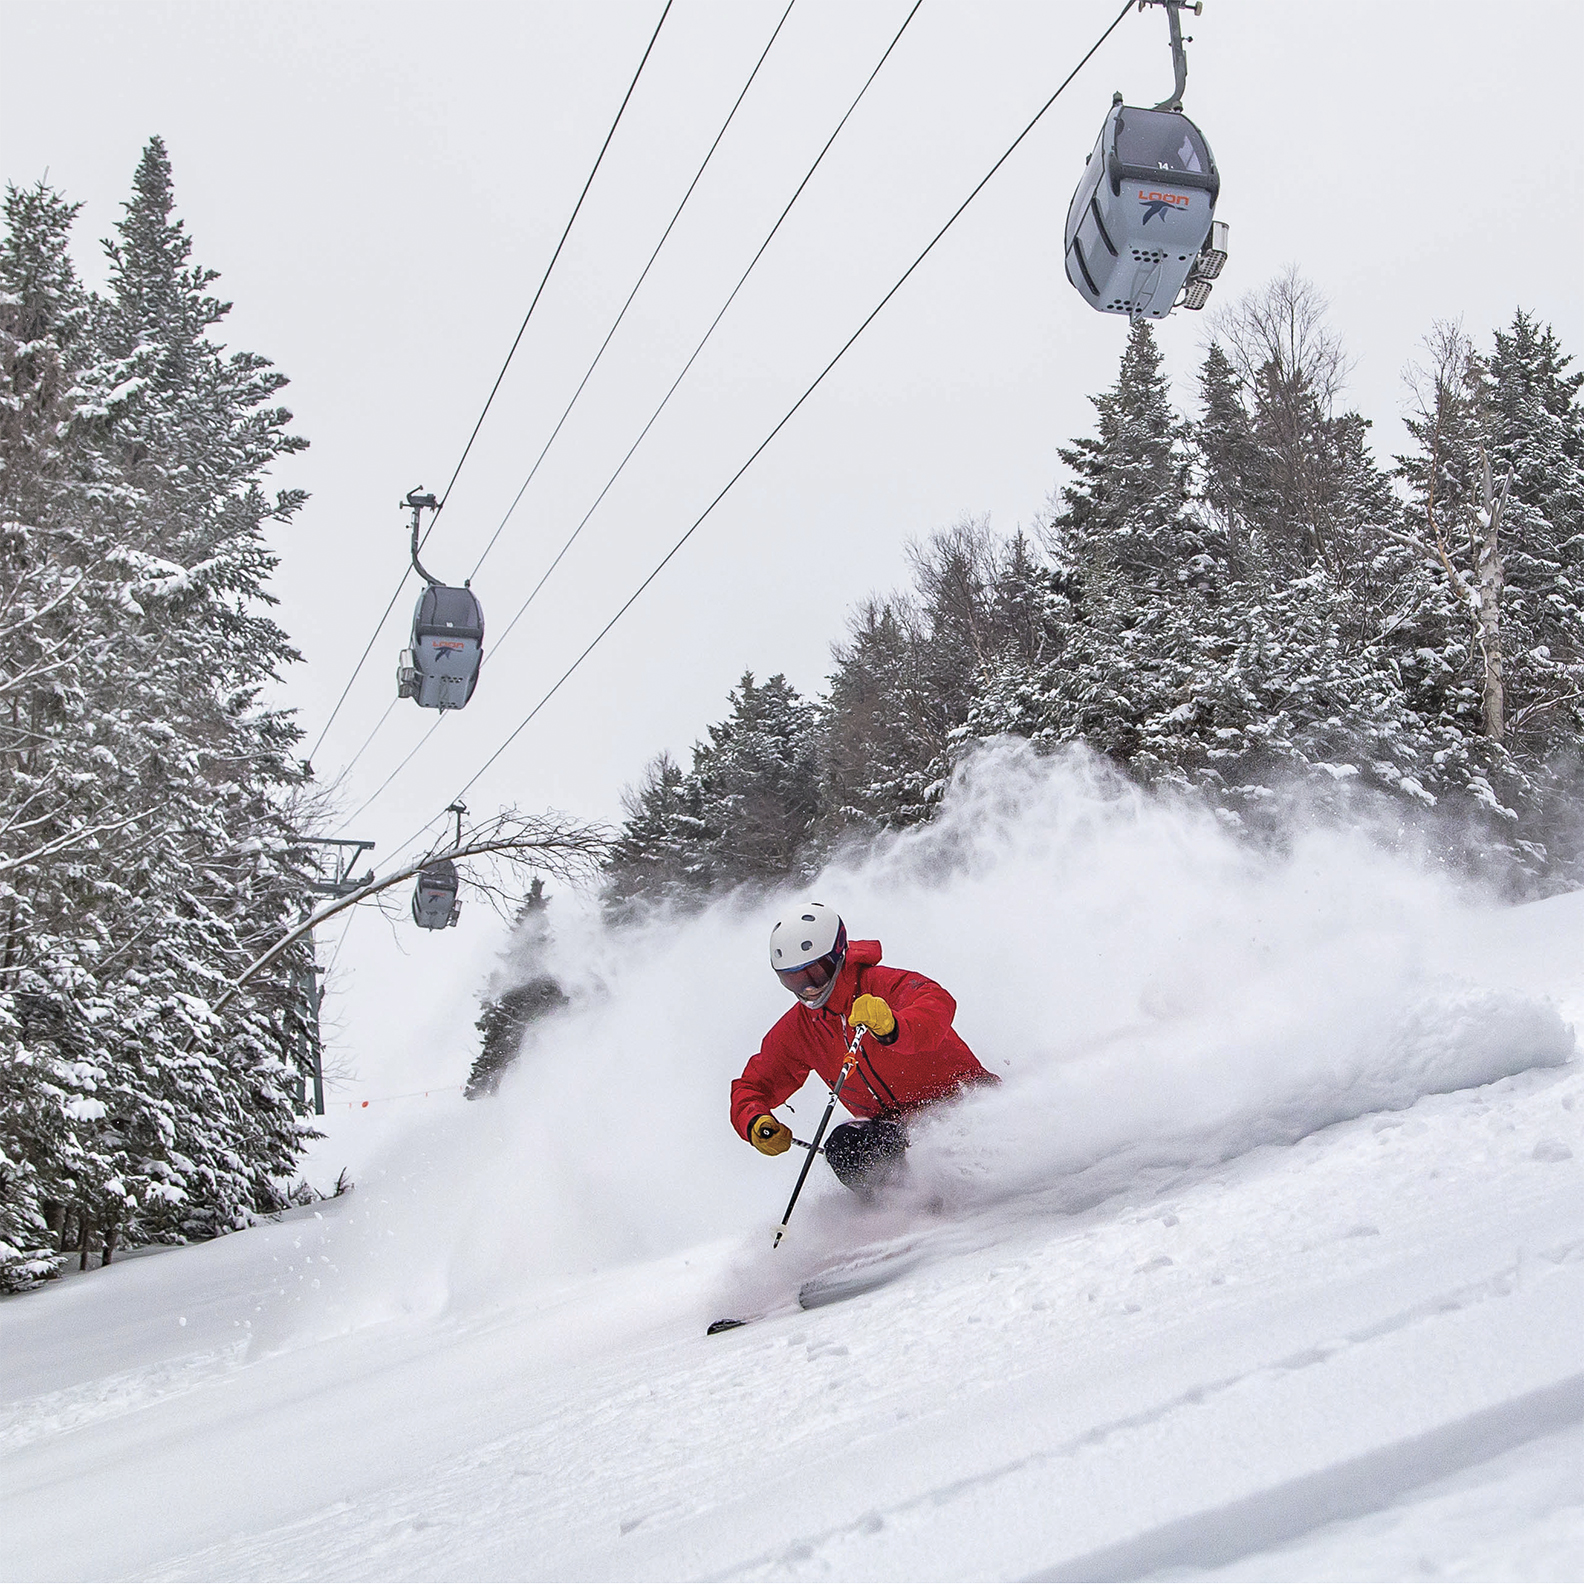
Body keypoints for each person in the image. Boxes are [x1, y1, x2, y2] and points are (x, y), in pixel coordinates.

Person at [730, 903, 995, 1195]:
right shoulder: (801, 1028)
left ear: (837, 956)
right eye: (793, 979)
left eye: (815, 974)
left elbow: (937, 1004)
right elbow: (753, 1086)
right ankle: (901, 1209)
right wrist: (755, 1121)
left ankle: (979, 1183)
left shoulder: (883, 985)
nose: (808, 990)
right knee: (845, 1147)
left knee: (962, 1147)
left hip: (963, 1105)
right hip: (897, 1132)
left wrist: (893, 1026)